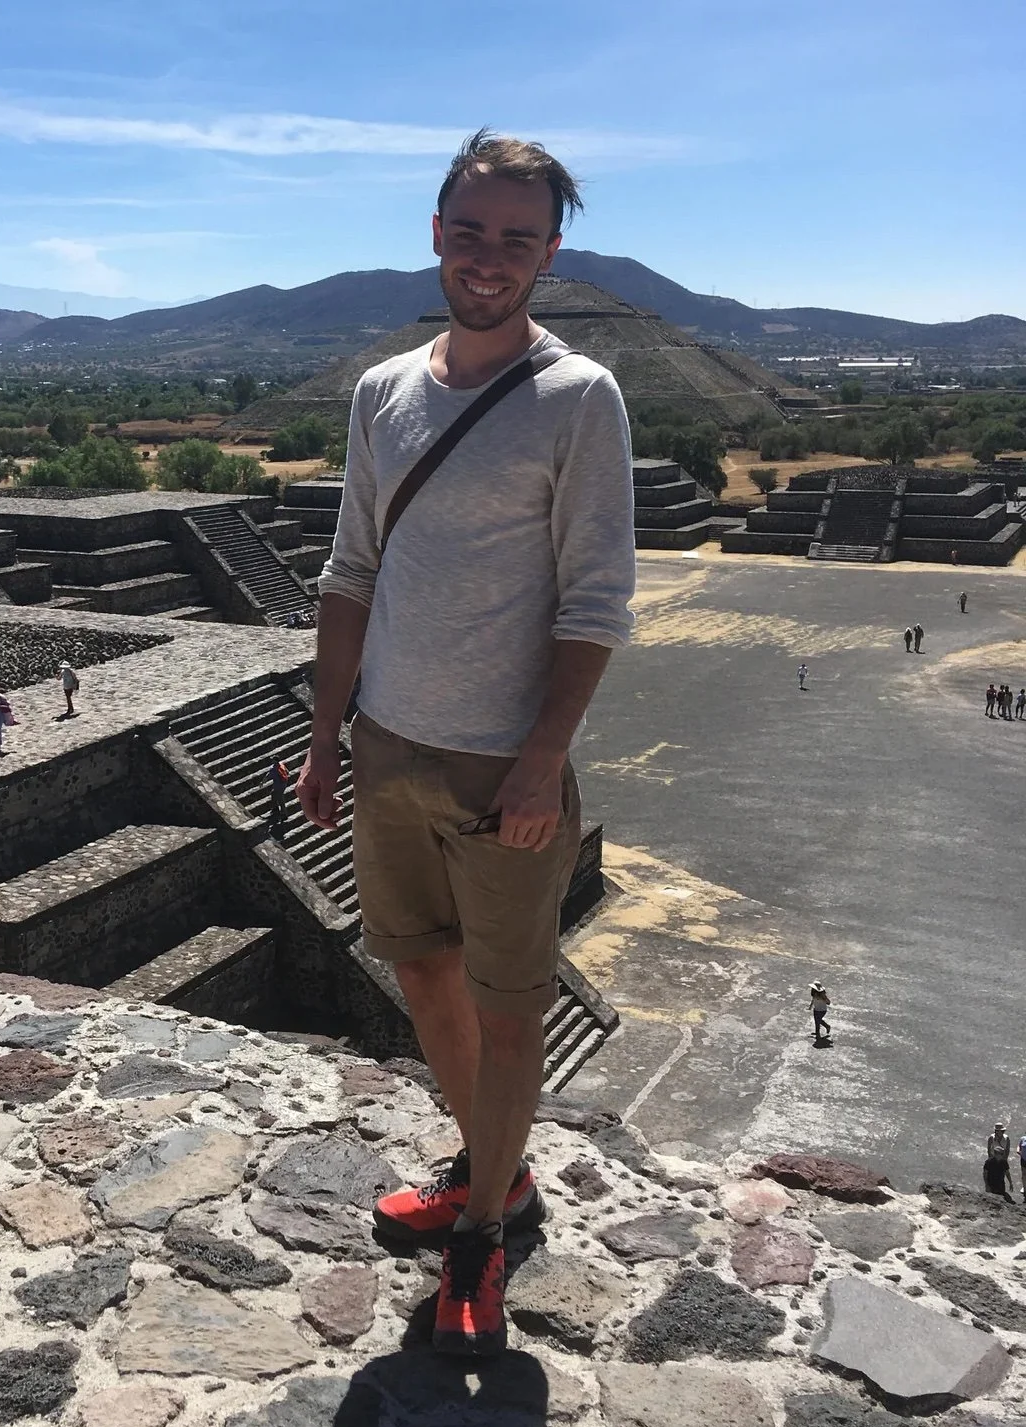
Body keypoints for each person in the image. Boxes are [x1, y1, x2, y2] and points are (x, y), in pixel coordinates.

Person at [300, 130, 636, 1357]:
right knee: (422, 971)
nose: (487, 256)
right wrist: (325, 736)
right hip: (387, 744)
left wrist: (546, 754)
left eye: (516, 237)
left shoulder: (578, 396)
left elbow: (594, 596)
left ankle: (479, 1241)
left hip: (506, 768)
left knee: (508, 1010)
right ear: (433, 232)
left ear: (549, 252)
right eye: (468, 230)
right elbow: (350, 572)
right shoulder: (380, 392)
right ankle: (493, 1175)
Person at [985, 1123, 1012, 1199]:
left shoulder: (1006, 1138)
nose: (998, 1132)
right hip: (994, 1158)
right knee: (991, 1173)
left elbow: (1007, 1149)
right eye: (997, 1130)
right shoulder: (991, 1137)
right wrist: (990, 1159)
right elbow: (989, 1149)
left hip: (1002, 1159)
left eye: (999, 1131)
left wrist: (1005, 1159)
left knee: (1001, 1174)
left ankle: (1000, 1188)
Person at [268, 758, 291, 837]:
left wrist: (262, 782)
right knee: (273, 794)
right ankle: (275, 809)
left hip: (278, 786)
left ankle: (283, 814)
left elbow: (268, 776)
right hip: (283, 785)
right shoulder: (281, 764)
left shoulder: (274, 768)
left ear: (274, 761)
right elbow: (287, 772)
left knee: (280, 800)